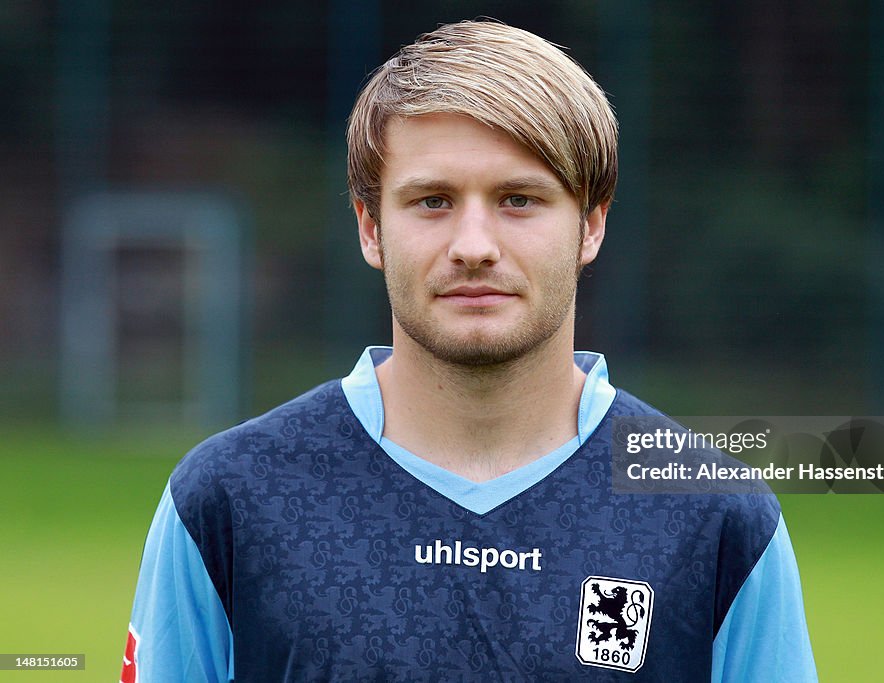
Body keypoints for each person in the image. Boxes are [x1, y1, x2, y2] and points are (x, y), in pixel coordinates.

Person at [122, 20, 817, 682]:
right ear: (370, 227)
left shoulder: (719, 517)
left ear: (591, 224)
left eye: (519, 199)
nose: (474, 245)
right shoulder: (229, 499)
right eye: (432, 201)